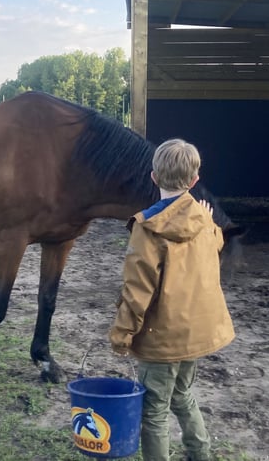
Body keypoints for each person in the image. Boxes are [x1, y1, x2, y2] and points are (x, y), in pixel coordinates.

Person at [109, 138, 235, 461]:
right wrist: (210, 221)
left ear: (153, 177)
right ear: (194, 181)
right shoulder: (205, 219)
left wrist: (122, 336)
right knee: (182, 394)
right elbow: (215, 244)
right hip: (195, 333)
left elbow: (137, 291)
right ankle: (200, 453)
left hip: (162, 338)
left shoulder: (148, 229)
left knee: (154, 411)